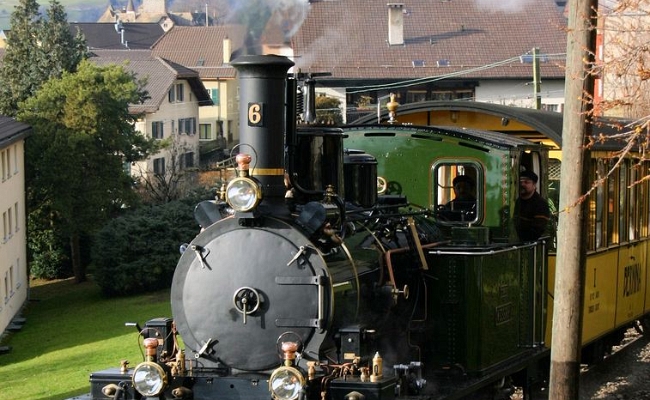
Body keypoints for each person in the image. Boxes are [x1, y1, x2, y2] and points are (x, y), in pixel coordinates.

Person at [514, 170, 550, 241]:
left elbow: (538, 230)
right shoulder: (518, 201)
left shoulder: (540, 204)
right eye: (520, 182)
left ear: (534, 185)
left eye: (526, 182)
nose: (522, 184)